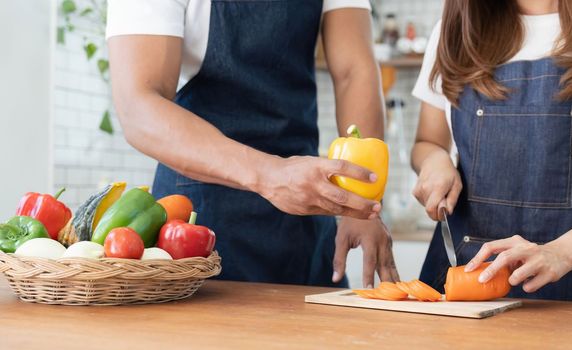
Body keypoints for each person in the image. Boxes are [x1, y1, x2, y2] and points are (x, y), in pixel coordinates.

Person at [106, 0, 399, 287]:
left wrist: (364, 201)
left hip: (303, 219)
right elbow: (138, 106)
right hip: (196, 221)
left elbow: (354, 72)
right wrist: (271, 175)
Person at [411, 0, 572, 302]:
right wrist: (434, 161)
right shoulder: (455, 34)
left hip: (567, 292)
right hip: (456, 288)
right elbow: (427, 142)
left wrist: (559, 253)